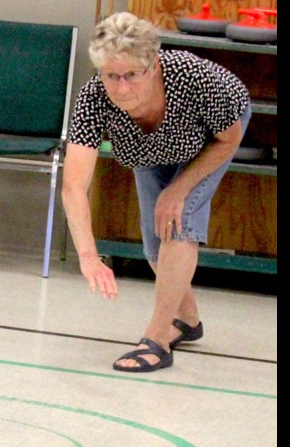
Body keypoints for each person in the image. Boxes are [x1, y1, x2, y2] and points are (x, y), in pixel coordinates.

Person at [61, 11, 251, 373]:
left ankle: (158, 339)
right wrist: (88, 255)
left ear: (152, 66)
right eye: (111, 76)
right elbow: (74, 184)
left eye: (131, 75)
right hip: (150, 152)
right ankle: (188, 321)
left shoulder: (193, 78)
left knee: (177, 224)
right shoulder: (93, 99)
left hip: (209, 140)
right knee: (154, 248)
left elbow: (230, 138)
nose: (120, 88)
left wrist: (179, 189)